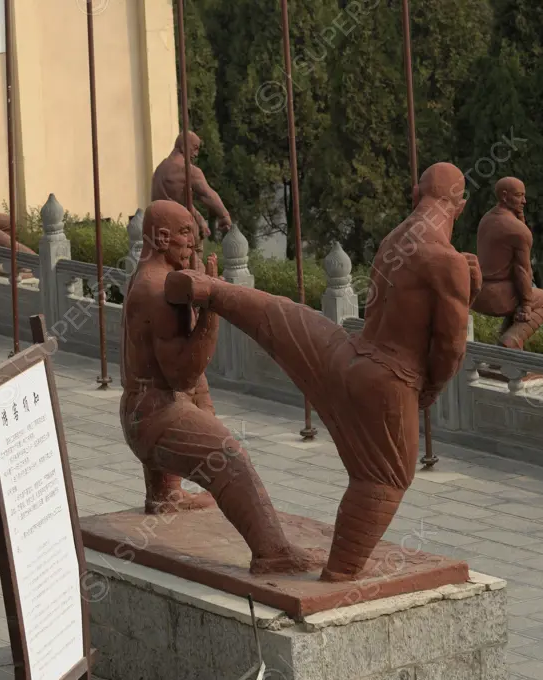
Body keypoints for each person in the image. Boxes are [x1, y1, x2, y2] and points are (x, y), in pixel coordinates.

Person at [164, 163, 481, 581]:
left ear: (415, 193)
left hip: (349, 357)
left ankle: (213, 290)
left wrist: (464, 284)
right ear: (459, 205)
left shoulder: (395, 240)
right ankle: (341, 574)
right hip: (389, 382)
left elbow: (405, 304)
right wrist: (429, 391)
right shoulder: (448, 260)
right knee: (382, 480)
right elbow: (450, 347)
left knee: (283, 317)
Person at [120, 200, 319, 575]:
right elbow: (181, 375)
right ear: (162, 237)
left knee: (198, 397)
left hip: (136, 409)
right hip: (154, 420)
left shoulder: (143, 276)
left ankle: (165, 495)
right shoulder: (158, 292)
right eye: (187, 241)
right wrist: (210, 309)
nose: (193, 250)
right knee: (228, 458)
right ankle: (271, 552)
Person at [472, 177, 543, 349]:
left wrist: (520, 217)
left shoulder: (487, 218)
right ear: (504, 196)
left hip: (477, 293)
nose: (524, 201)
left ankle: (501, 354)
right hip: (497, 297)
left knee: (519, 293)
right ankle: (511, 342)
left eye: (524, 195)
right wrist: (526, 305)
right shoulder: (518, 231)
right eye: (519, 196)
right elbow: (521, 270)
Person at [151, 131, 232, 266]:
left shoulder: (160, 169)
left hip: (159, 232)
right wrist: (224, 216)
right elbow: (208, 195)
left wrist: (200, 220)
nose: (196, 154)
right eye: (195, 148)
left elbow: (178, 201)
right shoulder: (188, 170)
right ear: (183, 146)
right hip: (182, 234)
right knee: (193, 269)